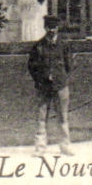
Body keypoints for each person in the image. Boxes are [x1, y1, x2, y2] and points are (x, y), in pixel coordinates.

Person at [28, 14, 74, 156]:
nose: (52, 30)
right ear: (45, 27)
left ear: (58, 28)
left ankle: (65, 146)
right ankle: (40, 147)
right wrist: (39, 80)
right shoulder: (38, 46)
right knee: (42, 116)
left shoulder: (64, 45)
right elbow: (32, 66)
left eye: (54, 27)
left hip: (60, 86)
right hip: (43, 87)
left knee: (63, 116)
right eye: (49, 27)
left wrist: (60, 78)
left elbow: (69, 65)